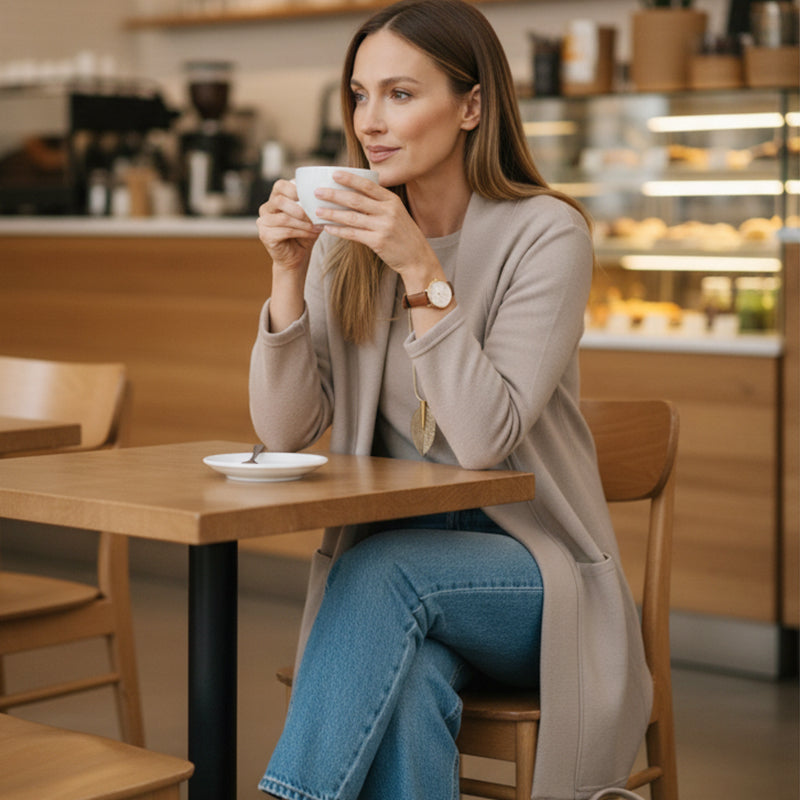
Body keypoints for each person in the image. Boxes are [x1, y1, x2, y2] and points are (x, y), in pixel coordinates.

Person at [249, 1, 652, 798]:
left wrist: (420, 272)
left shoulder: (546, 234)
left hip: (538, 570)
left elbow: (481, 438)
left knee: (382, 573)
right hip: (408, 583)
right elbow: (286, 433)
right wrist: (288, 276)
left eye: (400, 94)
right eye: (360, 96)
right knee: (405, 692)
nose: (371, 121)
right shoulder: (343, 247)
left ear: (471, 106)